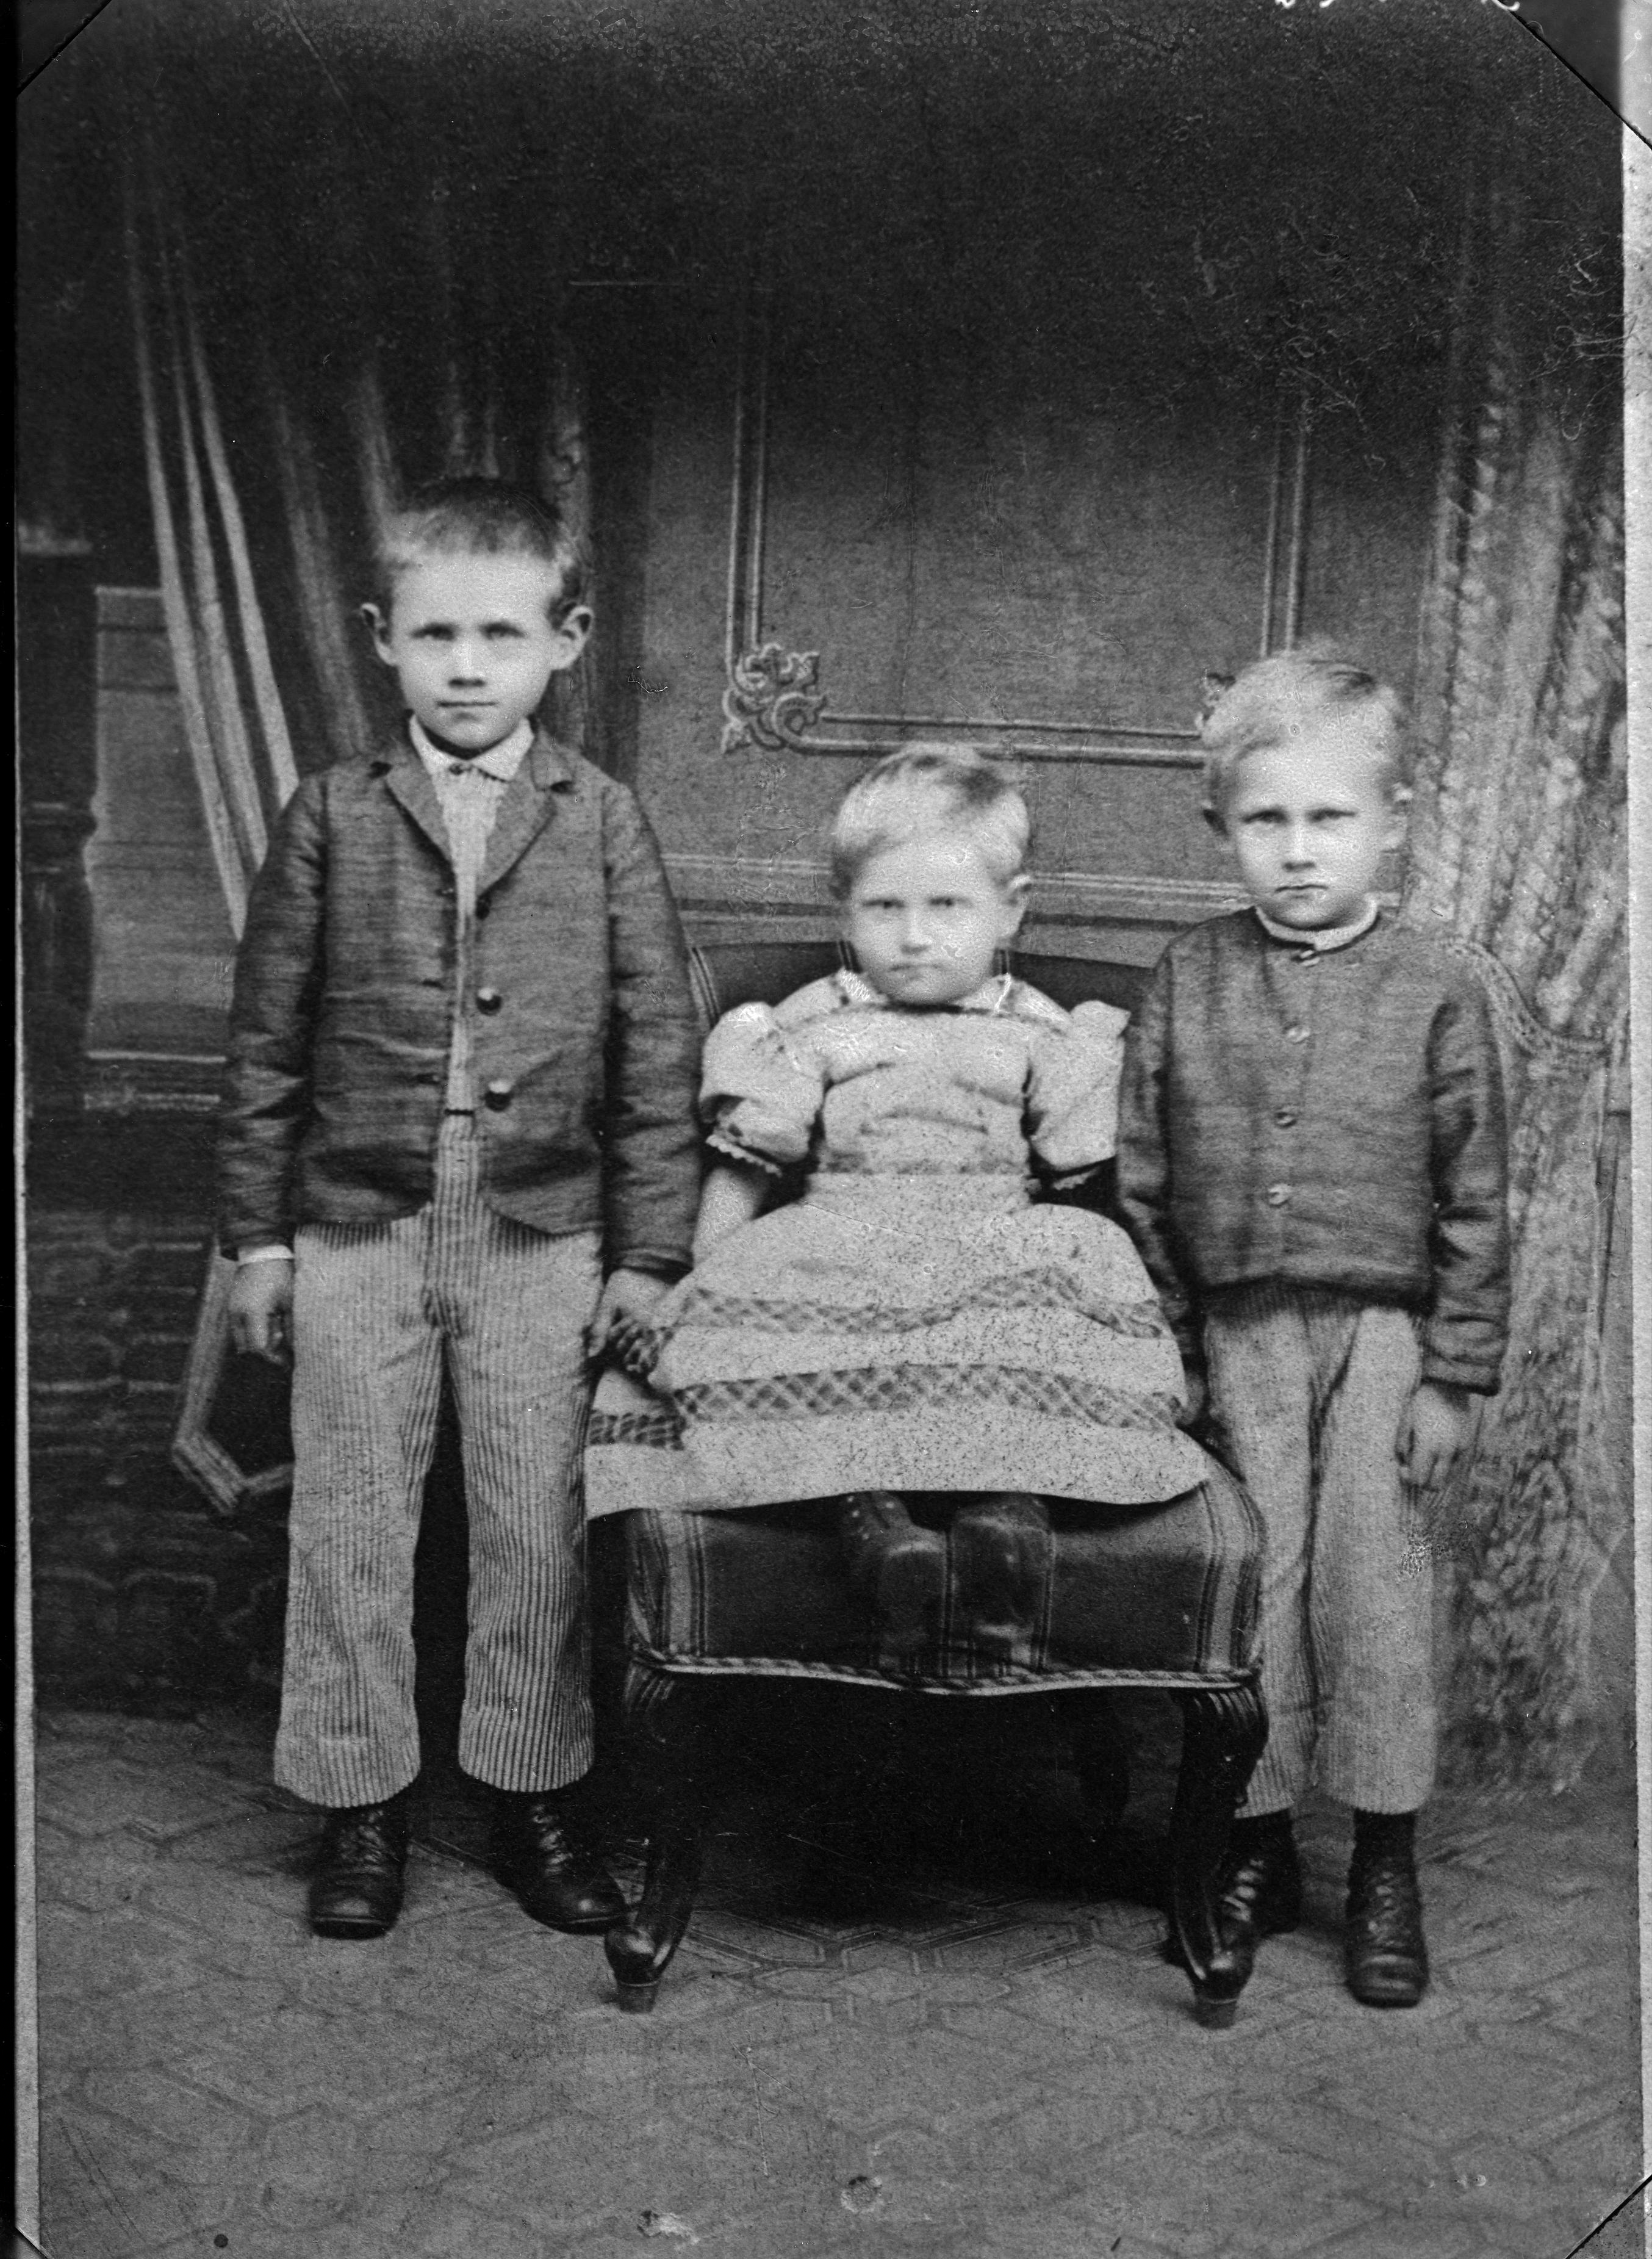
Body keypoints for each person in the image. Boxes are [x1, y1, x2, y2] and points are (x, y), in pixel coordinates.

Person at [219, 477, 702, 1941]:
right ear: (383, 640)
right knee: (351, 1520)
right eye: (436, 636)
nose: (470, 667)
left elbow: (657, 1050)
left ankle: (529, 1791)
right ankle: (357, 1802)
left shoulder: (601, 818)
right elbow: (264, 1045)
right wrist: (259, 1240)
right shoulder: (332, 812)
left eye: (502, 634)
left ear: (568, 639)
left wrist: (650, 1253)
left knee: (533, 1524)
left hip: (541, 1228)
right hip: (358, 1220)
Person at [591, 745, 1208, 1653]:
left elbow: (1092, 1187)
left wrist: (1117, 1308)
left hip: (991, 1239)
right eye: (886, 908)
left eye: (947, 906)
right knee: (792, 1335)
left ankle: (1011, 1518)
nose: (915, 937)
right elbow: (747, 1168)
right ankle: (876, 1530)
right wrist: (705, 1283)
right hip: (845, 1235)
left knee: (1049, 1298)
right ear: (845, 908)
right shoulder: (815, 1024)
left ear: (1012, 908)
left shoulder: (1042, 1031)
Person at [1116, 649, 1510, 2008]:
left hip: (1386, 1342)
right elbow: (1142, 1181)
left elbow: (1475, 1195)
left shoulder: (1439, 984)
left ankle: (1384, 1862)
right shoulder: (1190, 976)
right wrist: (1172, 1354)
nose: (1296, 850)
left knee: (1374, 1589)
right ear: (1220, 824)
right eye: (1265, 819)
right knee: (1255, 1588)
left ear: (1391, 821)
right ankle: (1258, 1842)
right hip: (1239, 1343)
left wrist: (1453, 1377)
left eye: (1328, 817)